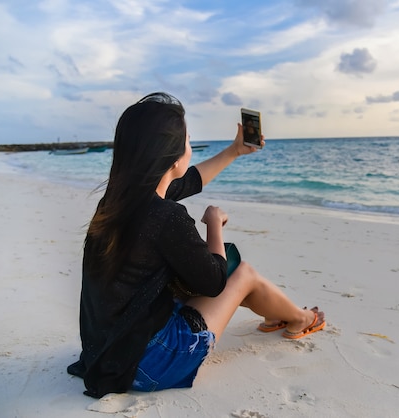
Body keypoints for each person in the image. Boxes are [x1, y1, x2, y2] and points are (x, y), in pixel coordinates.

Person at [67, 92, 325, 398]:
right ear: (175, 157)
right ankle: (301, 319)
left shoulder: (118, 201)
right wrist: (214, 222)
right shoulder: (166, 217)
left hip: (105, 353)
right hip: (148, 363)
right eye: (188, 141)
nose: (190, 147)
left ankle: (276, 315)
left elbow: (190, 181)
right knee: (241, 273)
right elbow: (215, 281)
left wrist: (234, 151)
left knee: (206, 273)